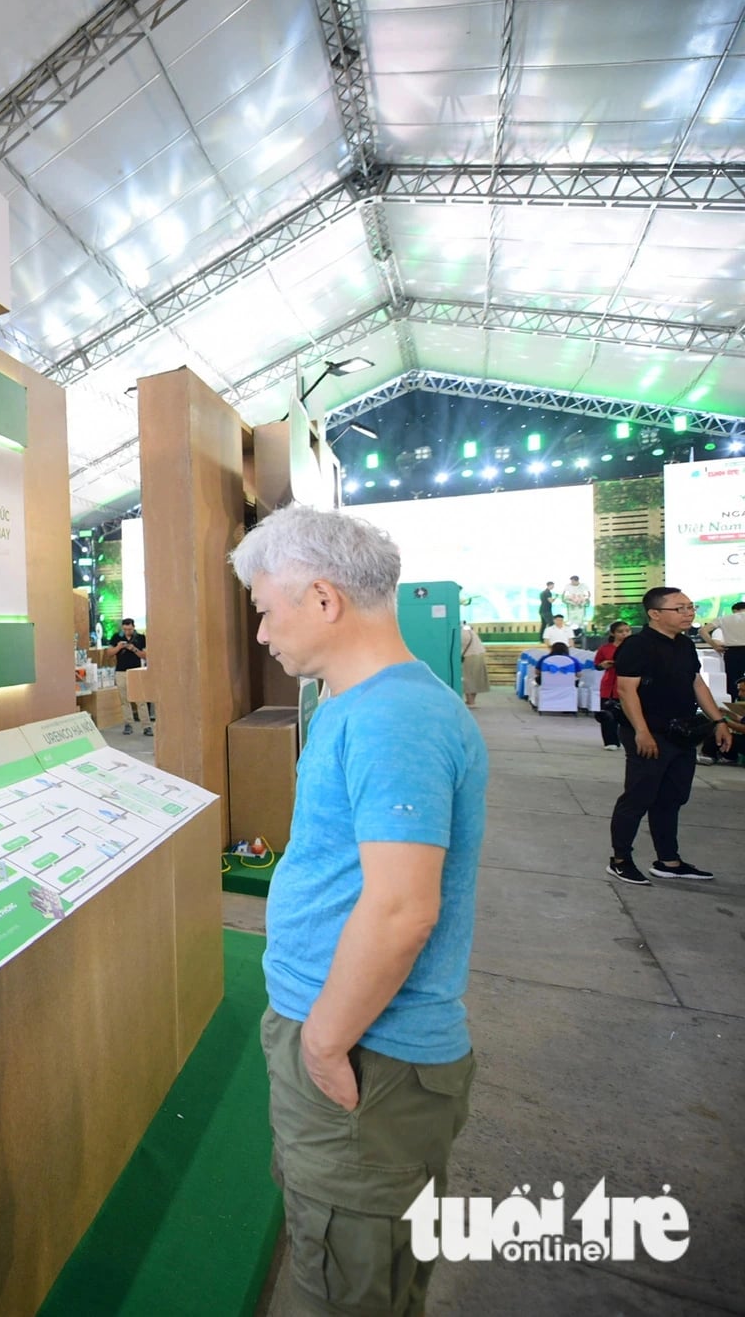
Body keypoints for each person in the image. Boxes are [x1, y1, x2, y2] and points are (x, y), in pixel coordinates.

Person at [228, 506, 485, 1317]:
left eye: (268, 609)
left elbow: (403, 907)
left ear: (325, 599)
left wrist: (328, 1042)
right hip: (354, 1042)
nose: (264, 633)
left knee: (344, 1282)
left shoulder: (391, 717)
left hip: (370, 1054)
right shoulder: (355, 703)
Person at [607, 587, 735, 886]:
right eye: (680, 608)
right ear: (655, 614)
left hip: (682, 733)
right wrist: (642, 731)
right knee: (638, 797)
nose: (689, 612)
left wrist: (719, 720)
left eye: (691, 607)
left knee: (671, 798)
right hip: (649, 733)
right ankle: (620, 859)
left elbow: (697, 684)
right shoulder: (637, 646)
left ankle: (668, 861)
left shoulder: (684, 645)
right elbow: (626, 691)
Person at [110, 617, 152, 736]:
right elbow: (109, 653)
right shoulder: (116, 637)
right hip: (121, 671)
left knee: (140, 700)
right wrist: (118, 647)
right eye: (125, 629)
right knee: (124, 700)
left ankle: (146, 725)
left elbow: (145, 655)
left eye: (129, 629)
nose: (127, 632)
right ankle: (128, 724)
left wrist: (133, 649)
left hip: (136, 671)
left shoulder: (140, 638)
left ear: (133, 627)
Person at [593, 620, 631, 749]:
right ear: (613, 633)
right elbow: (597, 664)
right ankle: (611, 741)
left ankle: (627, 740)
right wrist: (603, 665)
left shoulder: (635, 648)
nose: (624, 634)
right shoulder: (605, 649)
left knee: (628, 714)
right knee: (608, 714)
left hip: (628, 684)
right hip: (609, 684)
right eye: (620, 632)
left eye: (627, 631)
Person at [704, 600, 745, 703]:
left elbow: (702, 631)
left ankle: (734, 706)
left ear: (734, 610)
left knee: (732, 681)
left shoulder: (724, 619)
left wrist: (714, 645)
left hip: (733, 652)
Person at [460, 622, 488, 707]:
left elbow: (462, 644)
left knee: (468, 679)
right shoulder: (467, 629)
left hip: (470, 655)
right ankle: (471, 701)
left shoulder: (461, 632)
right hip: (478, 653)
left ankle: (470, 701)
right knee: (475, 679)